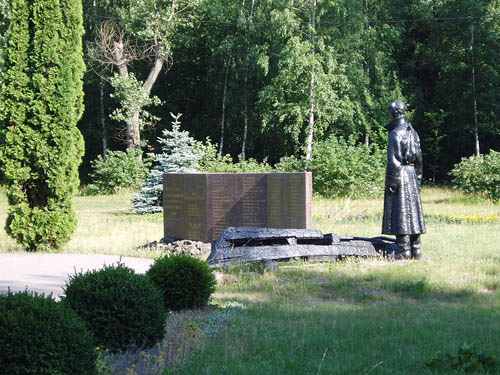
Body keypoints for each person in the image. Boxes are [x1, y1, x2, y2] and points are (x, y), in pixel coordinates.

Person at [382, 100, 426, 259]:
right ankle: (416, 250)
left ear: (394, 113)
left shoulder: (396, 133)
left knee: (400, 213)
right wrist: (418, 179)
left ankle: (404, 252)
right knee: (413, 214)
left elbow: (393, 161)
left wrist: (391, 184)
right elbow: (419, 159)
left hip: (401, 175)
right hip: (412, 175)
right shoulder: (412, 132)